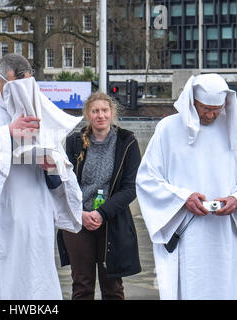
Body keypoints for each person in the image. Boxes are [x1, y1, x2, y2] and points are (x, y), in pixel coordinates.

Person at [0, 53, 83, 299]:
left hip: (34, 216)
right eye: (15, 86)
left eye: (28, 85)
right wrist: (8, 135)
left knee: (34, 284)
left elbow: (59, 173)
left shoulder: (40, 112)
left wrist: (52, 166)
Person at [136, 73, 237, 300]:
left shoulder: (234, 129)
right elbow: (147, 179)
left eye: (217, 109)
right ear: (192, 101)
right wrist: (183, 198)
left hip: (225, 233)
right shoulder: (168, 129)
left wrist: (235, 198)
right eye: (205, 108)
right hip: (187, 230)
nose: (211, 115)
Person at [58, 92, 141, 300]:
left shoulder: (127, 141)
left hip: (112, 221)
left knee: (112, 287)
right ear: (88, 114)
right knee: (82, 286)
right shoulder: (74, 142)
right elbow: (65, 184)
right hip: (78, 220)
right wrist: (82, 213)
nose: (100, 115)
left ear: (112, 113)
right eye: (95, 111)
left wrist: (102, 213)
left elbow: (131, 188)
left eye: (105, 110)